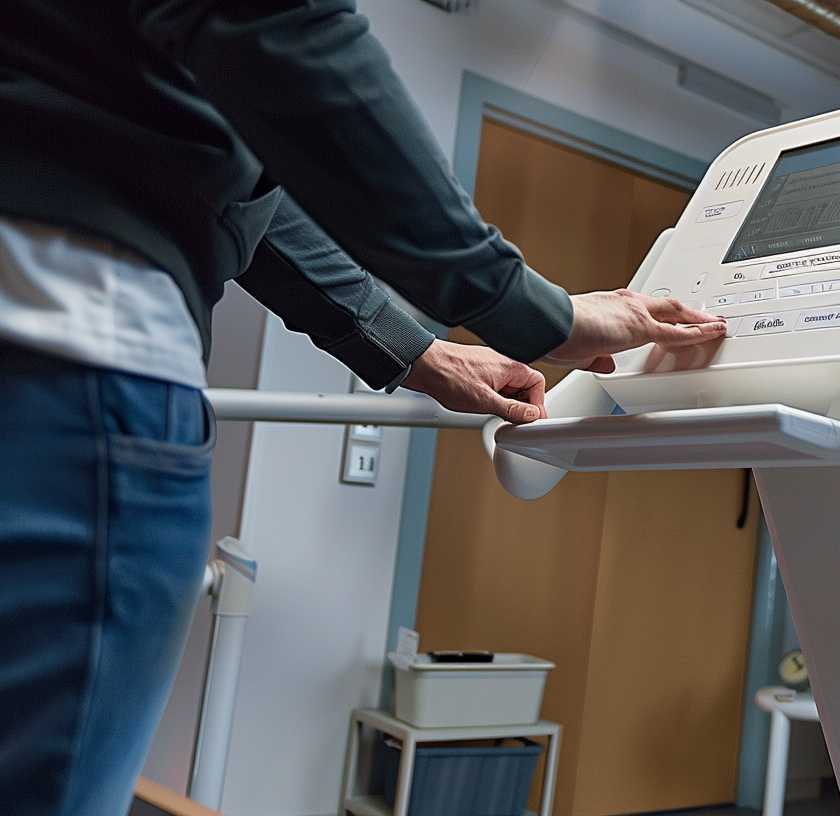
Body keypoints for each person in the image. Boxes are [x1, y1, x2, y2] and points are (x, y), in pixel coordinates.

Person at [0, 3, 725, 815]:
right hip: (65, 362)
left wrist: (419, 350)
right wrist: (540, 312)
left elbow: (253, 199)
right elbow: (276, 36)